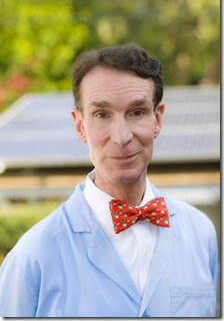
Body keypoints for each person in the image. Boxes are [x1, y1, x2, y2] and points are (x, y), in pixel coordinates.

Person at [0, 43, 218, 317]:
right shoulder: (31, 258)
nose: (121, 136)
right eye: (102, 115)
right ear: (80, 126)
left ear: (157, 120)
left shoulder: (201, 234)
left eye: (137, 112)